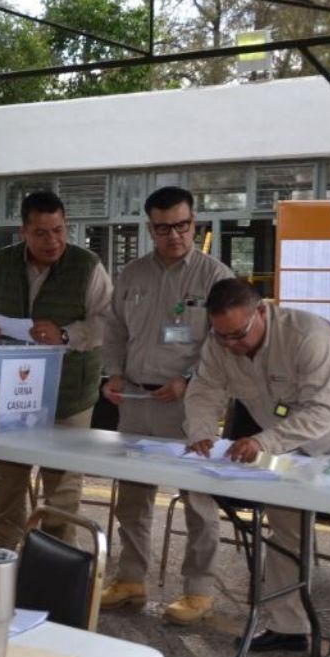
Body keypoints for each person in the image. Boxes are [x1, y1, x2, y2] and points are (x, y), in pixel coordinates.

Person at [184, 278, 330, 657]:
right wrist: (200, 433)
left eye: (239, 335)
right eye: (221, 335)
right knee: (284, 526)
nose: (231, 345)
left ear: (262, 311)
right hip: (289, 443)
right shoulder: (220, 342)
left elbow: (321, 412)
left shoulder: (305, 335)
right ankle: (287, 625)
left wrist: (264, 441)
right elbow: (203, 391)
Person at [99, 187, 234, 624]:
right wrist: (114, 372)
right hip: (137, 397)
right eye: (163, 228)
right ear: (150, 228)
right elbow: (114, 328)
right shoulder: (132, 275)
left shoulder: (215, 277)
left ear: (195, 223)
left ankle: (199, 589)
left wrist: (188, 381)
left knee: (197, 497)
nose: (174, 235)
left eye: (182, 225)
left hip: (190, 403)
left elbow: (224, 343)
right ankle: (131, 579)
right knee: (133, 496)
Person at [0, 190, 113, 551]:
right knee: (8, 485)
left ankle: (54, 567)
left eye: (59, 231)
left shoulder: (87, 265)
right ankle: (2, 562)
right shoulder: (2, 262)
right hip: (11, 396)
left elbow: (108, 323)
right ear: (23, 232)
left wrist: (64, 334)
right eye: (42, 233)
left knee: (61, 490)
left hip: (69, 395)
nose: (53, 241)